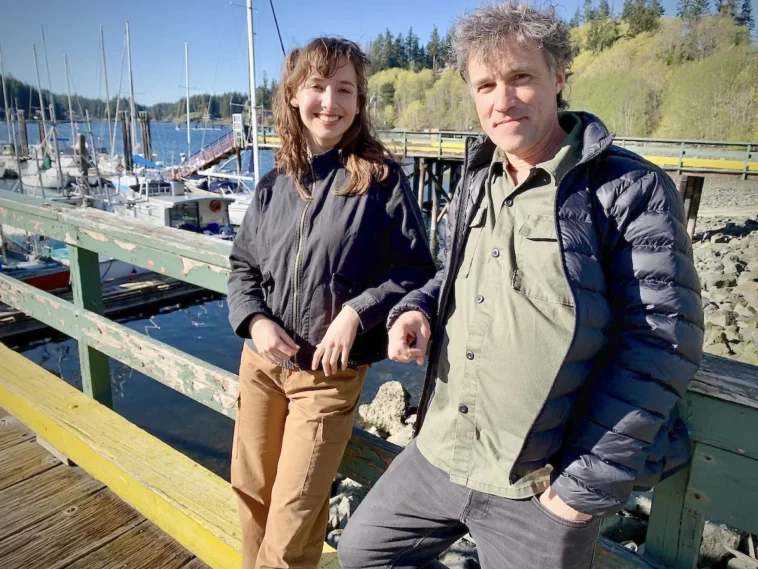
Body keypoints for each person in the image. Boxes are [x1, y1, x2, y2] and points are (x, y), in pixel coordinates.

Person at [337, 3, 704, 569]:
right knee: (362, 553)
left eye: (520, 78)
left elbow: (663, 343)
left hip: (537, 486)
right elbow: (454, 276)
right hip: (438, 452)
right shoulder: (477, 175)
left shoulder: (629, 188)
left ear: (559, 77)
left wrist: (579, 491)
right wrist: (416, 310)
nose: (501, 100)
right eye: (485, 85)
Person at [226, 37, 435, 569]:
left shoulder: (380, 181)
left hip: (327, 375)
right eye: (318, 86)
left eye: (345, 89)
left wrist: (356, 311)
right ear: (294, 95)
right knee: (251, 491)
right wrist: (253, 322)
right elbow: (243, 268)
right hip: (263, 365)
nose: (330, 101)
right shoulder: (274, 185)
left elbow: (416, 271)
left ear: (359, 103)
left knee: (295, 509)